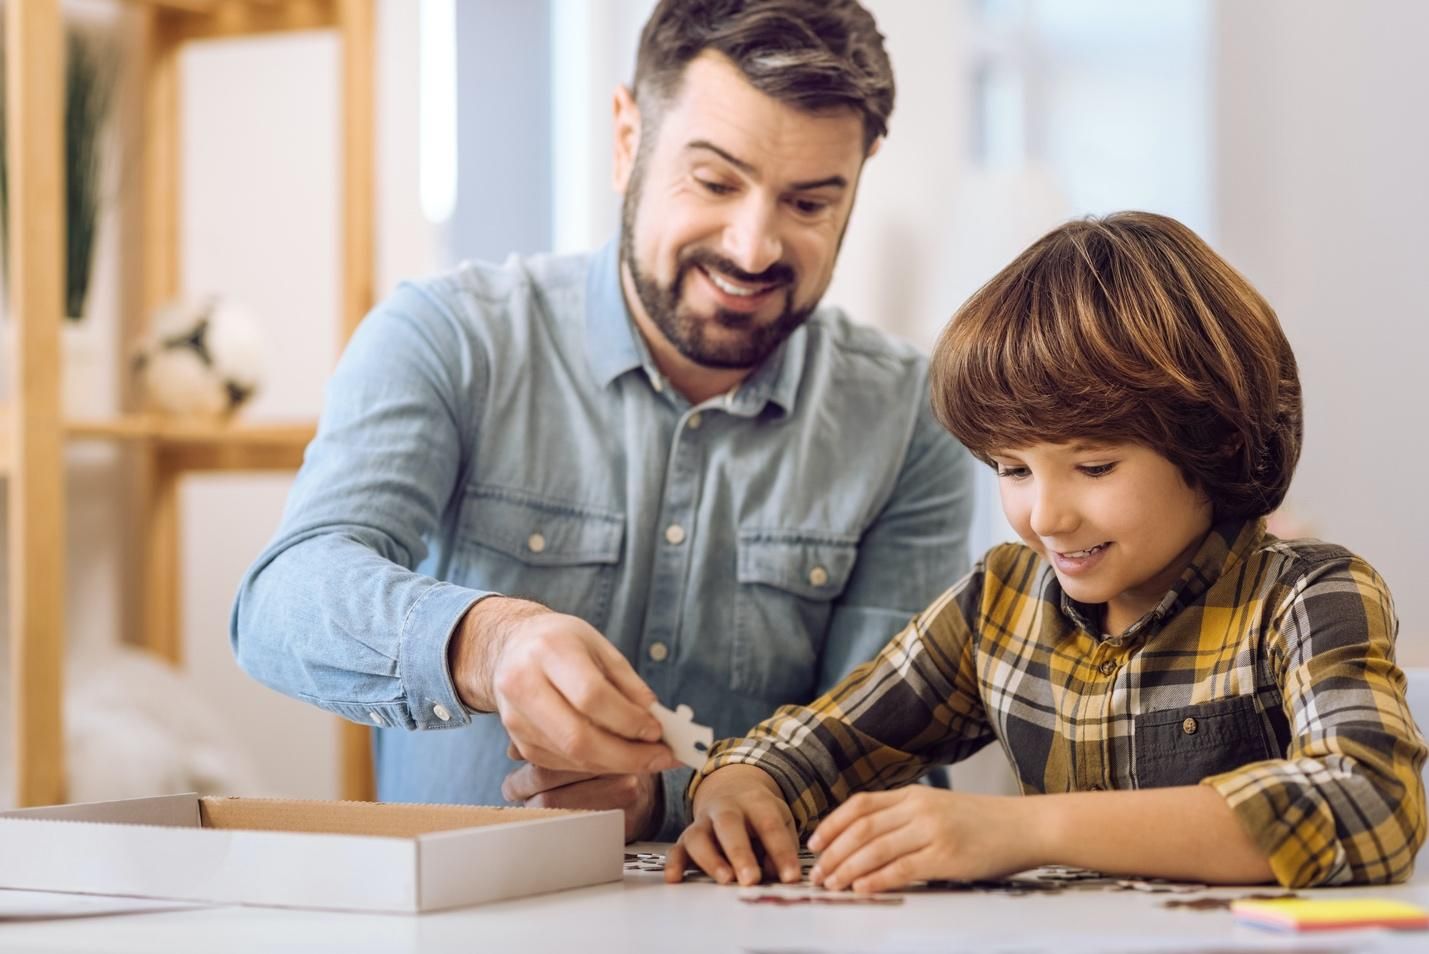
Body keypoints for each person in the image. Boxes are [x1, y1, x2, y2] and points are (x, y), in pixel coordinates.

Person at [229, 0, 975, 843]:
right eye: (715, 182)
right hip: (467, 921)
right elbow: (281, 602)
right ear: (628, 140)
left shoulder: (910, 417)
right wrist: (487, 642)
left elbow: (883, 755)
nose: (754, 247)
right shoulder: (448, 336)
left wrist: (667, 799)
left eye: (807, 204)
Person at [668, 211, 1427, 889]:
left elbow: (1369, 801)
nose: (1046, 516)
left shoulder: (1307, 594)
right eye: (1012, 470)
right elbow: (817, 745)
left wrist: (1024, 830)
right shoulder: (998, 602)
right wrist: (737, 787)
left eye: (1094, 467)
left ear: (1215, 442)